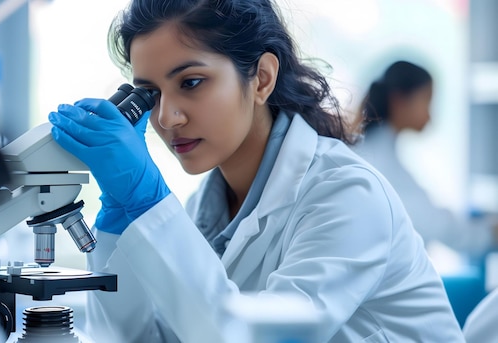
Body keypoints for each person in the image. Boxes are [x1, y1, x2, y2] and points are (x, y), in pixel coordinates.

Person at [47, 1, 464, 342]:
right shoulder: (207, 212)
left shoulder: (347, 194)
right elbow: (146, 339)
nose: (167, 117)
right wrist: (122, 226)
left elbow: (250, 336)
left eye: (191, 82)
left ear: (262, 78)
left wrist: (150, 202)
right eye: (151, 94)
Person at [352, 61, 470, 251]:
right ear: (399, 101)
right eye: (427, 101)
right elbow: (434, 224)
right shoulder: (377, 160)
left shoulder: (375, 149)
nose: (430, 116)